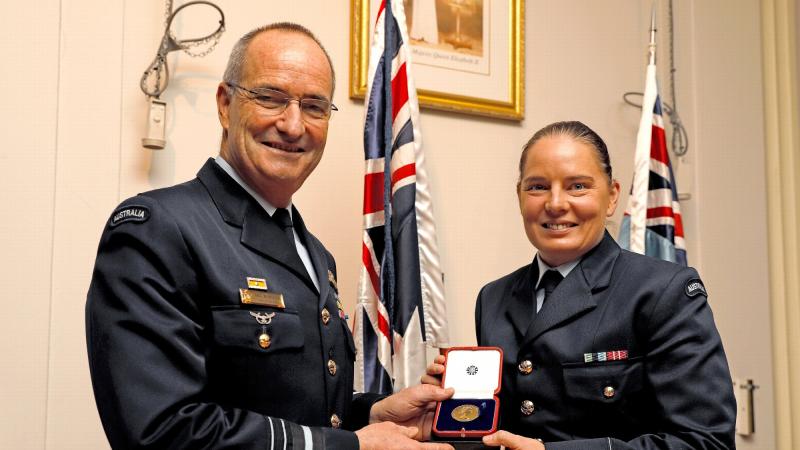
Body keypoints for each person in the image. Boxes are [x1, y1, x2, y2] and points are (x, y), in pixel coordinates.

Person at [86, 23, 453, 450]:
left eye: (314, 106)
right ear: (226, 104)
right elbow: (163, 430)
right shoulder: (157, 229)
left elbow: (298, 406)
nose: (293, 125)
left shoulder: (316, 256)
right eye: (270, 98)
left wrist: (372, 414)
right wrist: (351, 447)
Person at [423, 121, 735, 449]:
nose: (556, 203)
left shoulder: (663, 291)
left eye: (577, 186)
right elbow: (498, 433)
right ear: (519, 197)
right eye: (537, 187)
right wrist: (447, 419)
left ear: (612, 196)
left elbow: (706, 442)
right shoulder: (494, 298)